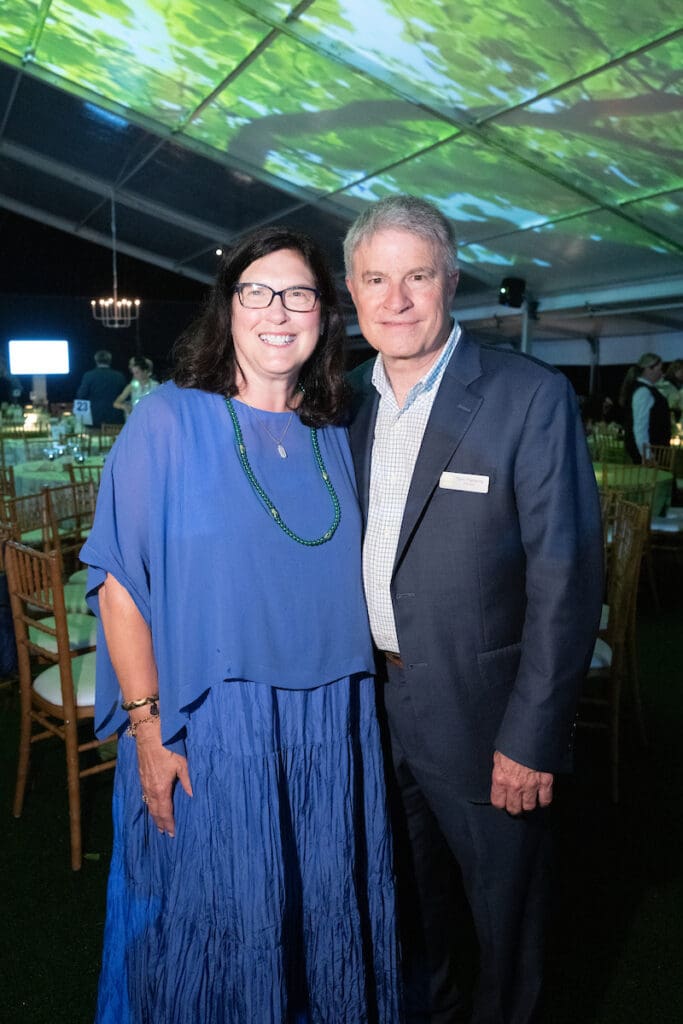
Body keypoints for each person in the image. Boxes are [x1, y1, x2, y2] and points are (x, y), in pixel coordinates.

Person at [80, 227, 402, 1023]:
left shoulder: (337, 430)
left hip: (333, 720)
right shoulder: (166, 420)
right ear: (227, 310)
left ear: (326, 317)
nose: (277, 311)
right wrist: (149, 733)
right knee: (214, 921)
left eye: (298, 294)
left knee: (321, 913)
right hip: (211, 724)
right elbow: (120, 586)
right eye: (256, 291)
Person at [343, 195, 603, 1024]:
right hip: (370, 709)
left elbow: (566, 576)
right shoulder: (341, 402)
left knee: (505, 921)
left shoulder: (526, 396)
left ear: (449, 280)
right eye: (375, 278)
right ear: (351, 290)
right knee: (408, 910)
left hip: (485, 719)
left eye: (416, 275)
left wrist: (531, 737)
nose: (396, 299)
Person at [619, 353, 670, 463]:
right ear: (648, 369)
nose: (661, 373)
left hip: (652, 451)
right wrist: (646, 454)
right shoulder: (643, 392)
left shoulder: (644, 389)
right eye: (659, 369)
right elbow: (640, 426)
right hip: (651, 453)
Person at [75, 349, 126, 427]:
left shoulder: (88, 376)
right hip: (115, 419)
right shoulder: (119, 376)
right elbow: (126, 397)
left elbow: (81, 395)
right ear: (110, 360)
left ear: (96, 360)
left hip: (94, 418)